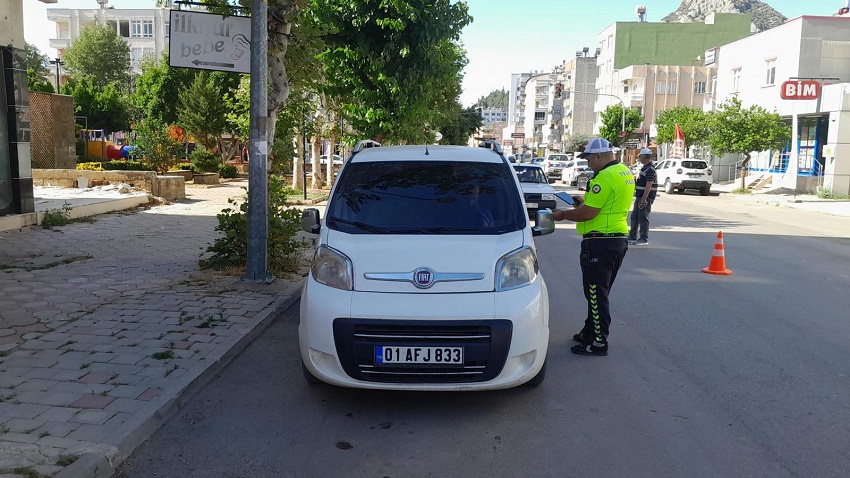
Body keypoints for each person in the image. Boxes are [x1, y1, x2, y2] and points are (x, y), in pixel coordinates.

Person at [550, 138, 635, 356]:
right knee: (598, 292)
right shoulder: (623, 171)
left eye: (588, 159)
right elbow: (606, 203)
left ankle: (598, 342)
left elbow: (589, 213)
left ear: (599, 156)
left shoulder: (604, 177)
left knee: (596, 293)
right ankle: (589, 332)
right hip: (616, 239)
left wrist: (563, 215)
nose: (588, 164)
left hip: (600, 242)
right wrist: (585, 201)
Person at [628, 148, 657, 246]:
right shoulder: (645, 168)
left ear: (644, 157)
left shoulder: (650, 170)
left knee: (643, 217)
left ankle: (643, 238)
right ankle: (632, 236)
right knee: (635, 217)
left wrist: (644, 199)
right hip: (640, 196)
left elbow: (649, 185)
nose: (639, 158)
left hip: (645, 198)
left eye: (640, 156)